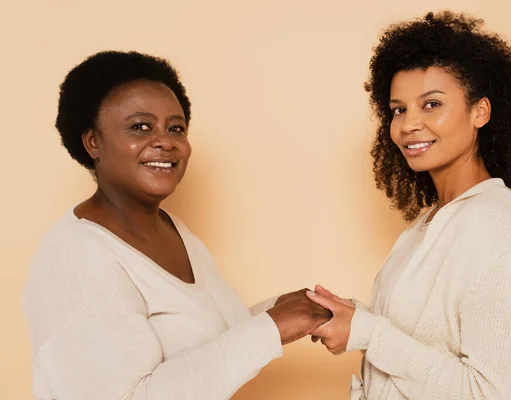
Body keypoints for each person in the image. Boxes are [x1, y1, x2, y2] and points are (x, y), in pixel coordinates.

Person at [22, 50, 331, 400]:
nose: (166, 141)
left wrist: (277, 310)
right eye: (140, 127)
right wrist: (271, 328)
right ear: (93, 142)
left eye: (176, 128)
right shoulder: (75, 259)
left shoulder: (171, 228)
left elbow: (201, 345)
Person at [307, 10, 511, 400]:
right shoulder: (434, 220)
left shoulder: (496, 236)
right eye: (399, 109)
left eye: (432, 104)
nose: (407, 125)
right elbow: (418, 332)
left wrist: (367, 332)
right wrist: (345, 315)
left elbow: (490, 394)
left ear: (480, 112)